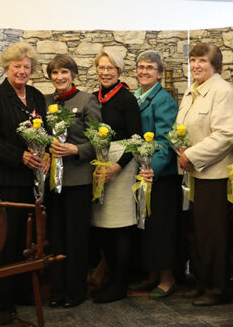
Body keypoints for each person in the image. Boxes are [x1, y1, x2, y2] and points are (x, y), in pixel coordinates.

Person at [0, 42, 47, 314]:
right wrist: (20, 157)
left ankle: (21, 291)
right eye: (16, 66)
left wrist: (47, 153)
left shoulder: (37, 95)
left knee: (27, 241)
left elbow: (47, 130)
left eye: (26, 67)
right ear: (6, 68)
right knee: (6, 241)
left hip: (34, 182)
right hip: (7, 181)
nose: (22, 71)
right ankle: (1, 301)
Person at [176, 43, 233, 306]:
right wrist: (179, 150)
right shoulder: (191, 91)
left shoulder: (222, 92)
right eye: (192, 60)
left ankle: (217, 289)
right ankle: (202, 282)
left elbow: (226, 135)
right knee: (195, 233)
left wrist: (191, 156)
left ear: (215, 65)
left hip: (214, 177)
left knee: (212, 236)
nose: (196, 66)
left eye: (202, 60)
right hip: (192, 175)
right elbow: (180, 130)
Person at [44, 54, 102, 308]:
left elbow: (101, 140)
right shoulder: (44, 101)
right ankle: (56, 291)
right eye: (55, 73)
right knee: (55, 238)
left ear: (73, 74)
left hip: (78, 180)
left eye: (64, 72)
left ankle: (76, 292)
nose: (59, 77)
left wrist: (76, 150)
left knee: (76, 239)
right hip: (51, 182)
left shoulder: (87, 100)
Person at [90, 48, 142, 303]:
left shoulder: (126, 99)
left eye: (111, 68)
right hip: (99, 165)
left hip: (121, 166)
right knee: (103, 227)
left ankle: (120, 283)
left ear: (119, 71)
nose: (106, 72)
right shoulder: (93, 98)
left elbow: (136, 139)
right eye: (102, 67)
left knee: (120, 226)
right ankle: (109, 278)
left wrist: (117, 167)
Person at [128, 52, 179, 298]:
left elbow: (166, 140)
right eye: (140, 67)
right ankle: (150, 274)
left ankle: (167, 279)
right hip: (139, 172)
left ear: (159, 73)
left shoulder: (164, 100)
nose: (144, 71)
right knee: (145, 226)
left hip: (160, 175)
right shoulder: (135, 97)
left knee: (161, 227)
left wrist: (152, 170)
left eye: (150, 67)